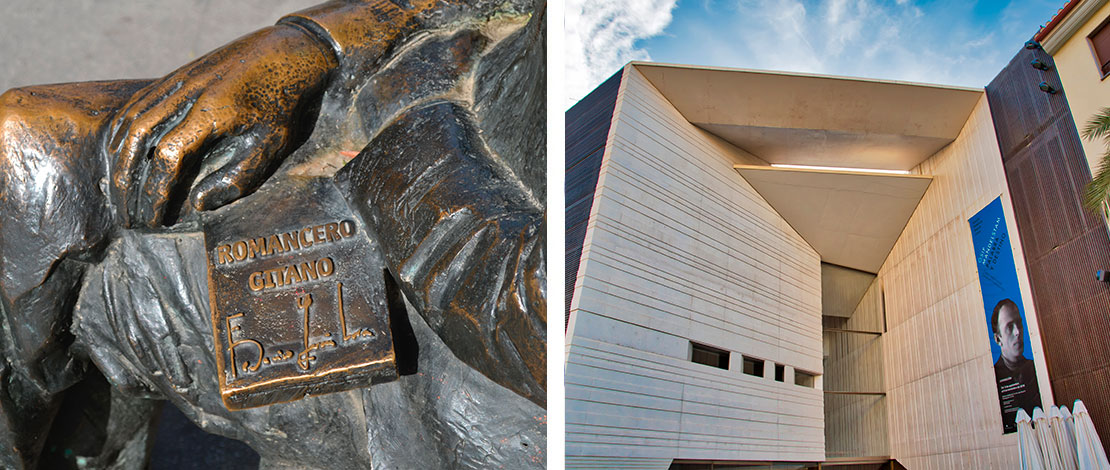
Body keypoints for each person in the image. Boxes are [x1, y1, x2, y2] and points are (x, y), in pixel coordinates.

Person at [0, 0, 545, 467]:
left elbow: (532, 312)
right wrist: (317, 43)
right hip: (445, 101)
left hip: (482, 337)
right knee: (34, 151)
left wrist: (406, 114)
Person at [991, 298, 1041, 432]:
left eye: (1019, 324)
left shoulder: (1035, 370)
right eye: (1009, 327)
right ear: (998, 339)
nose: (1017, 332)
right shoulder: (994, 377)